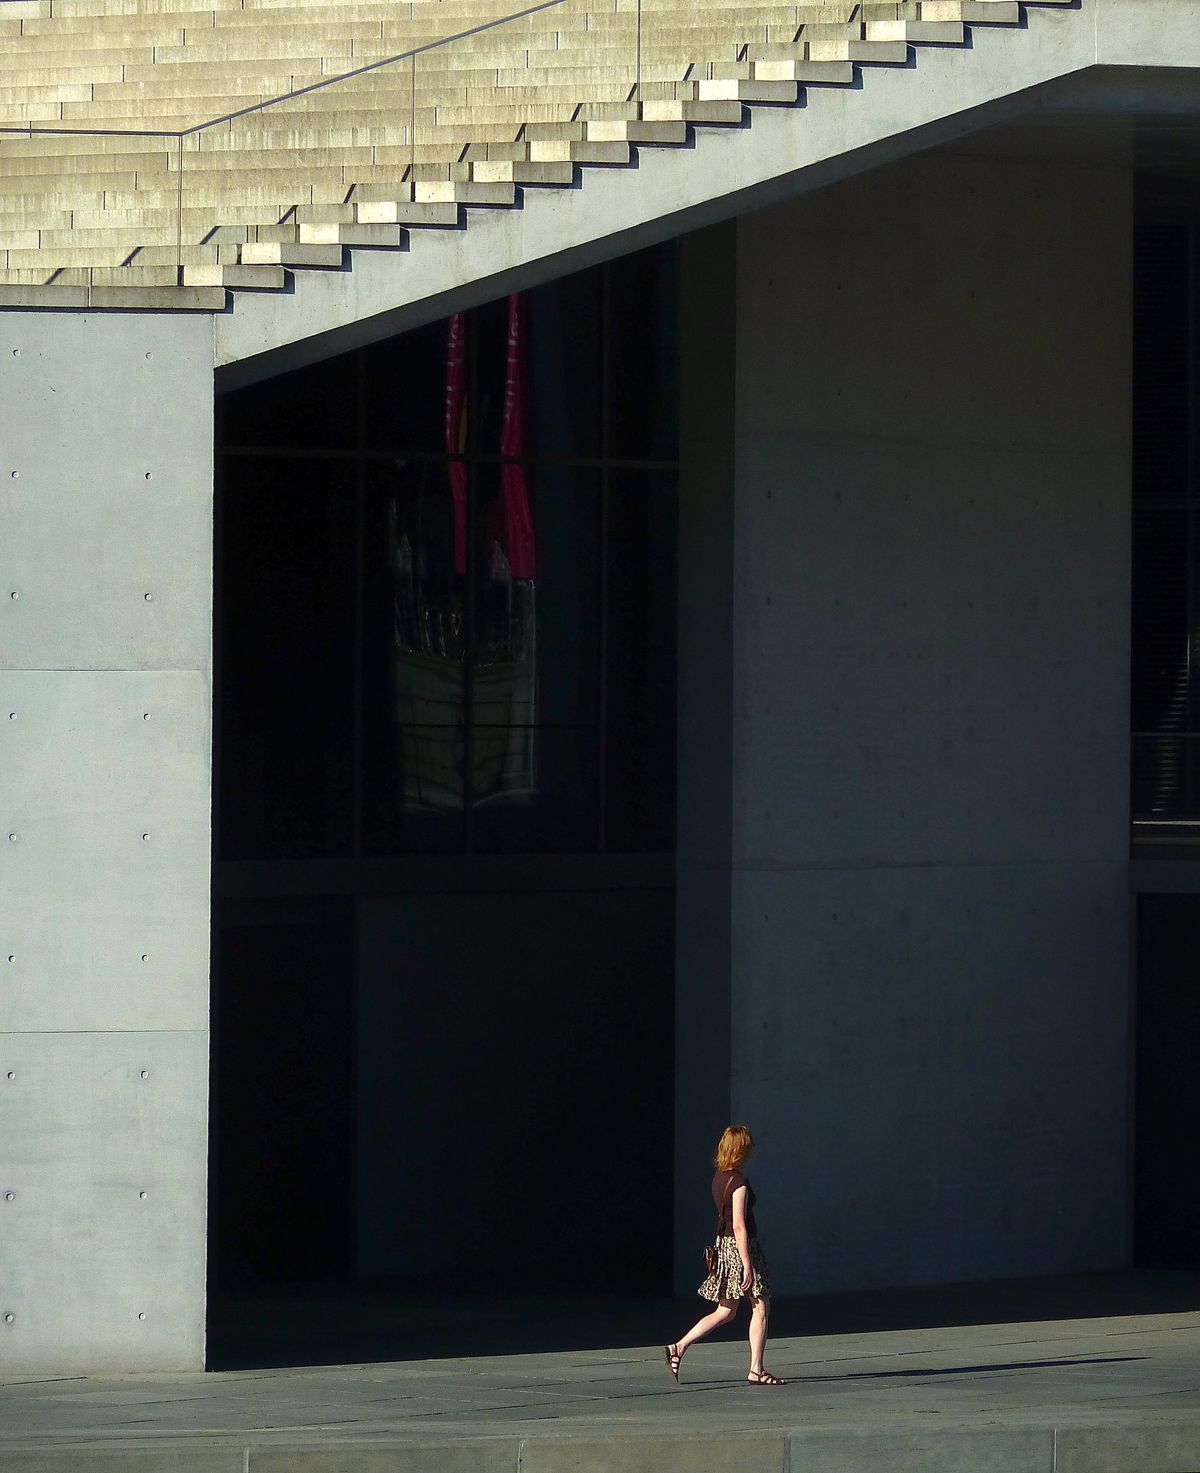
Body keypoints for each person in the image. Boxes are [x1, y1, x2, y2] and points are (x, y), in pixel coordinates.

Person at [664, 1123, 785, 1385]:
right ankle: (756, 1369)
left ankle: (679, 1346)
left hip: (724, 1246)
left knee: (726, 1310)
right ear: (742, 1150)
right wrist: (748, 1264)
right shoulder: (739, 1183)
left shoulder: (719, 1178)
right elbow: (739, 1225)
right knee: (760, 1306)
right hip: (741, 1248)